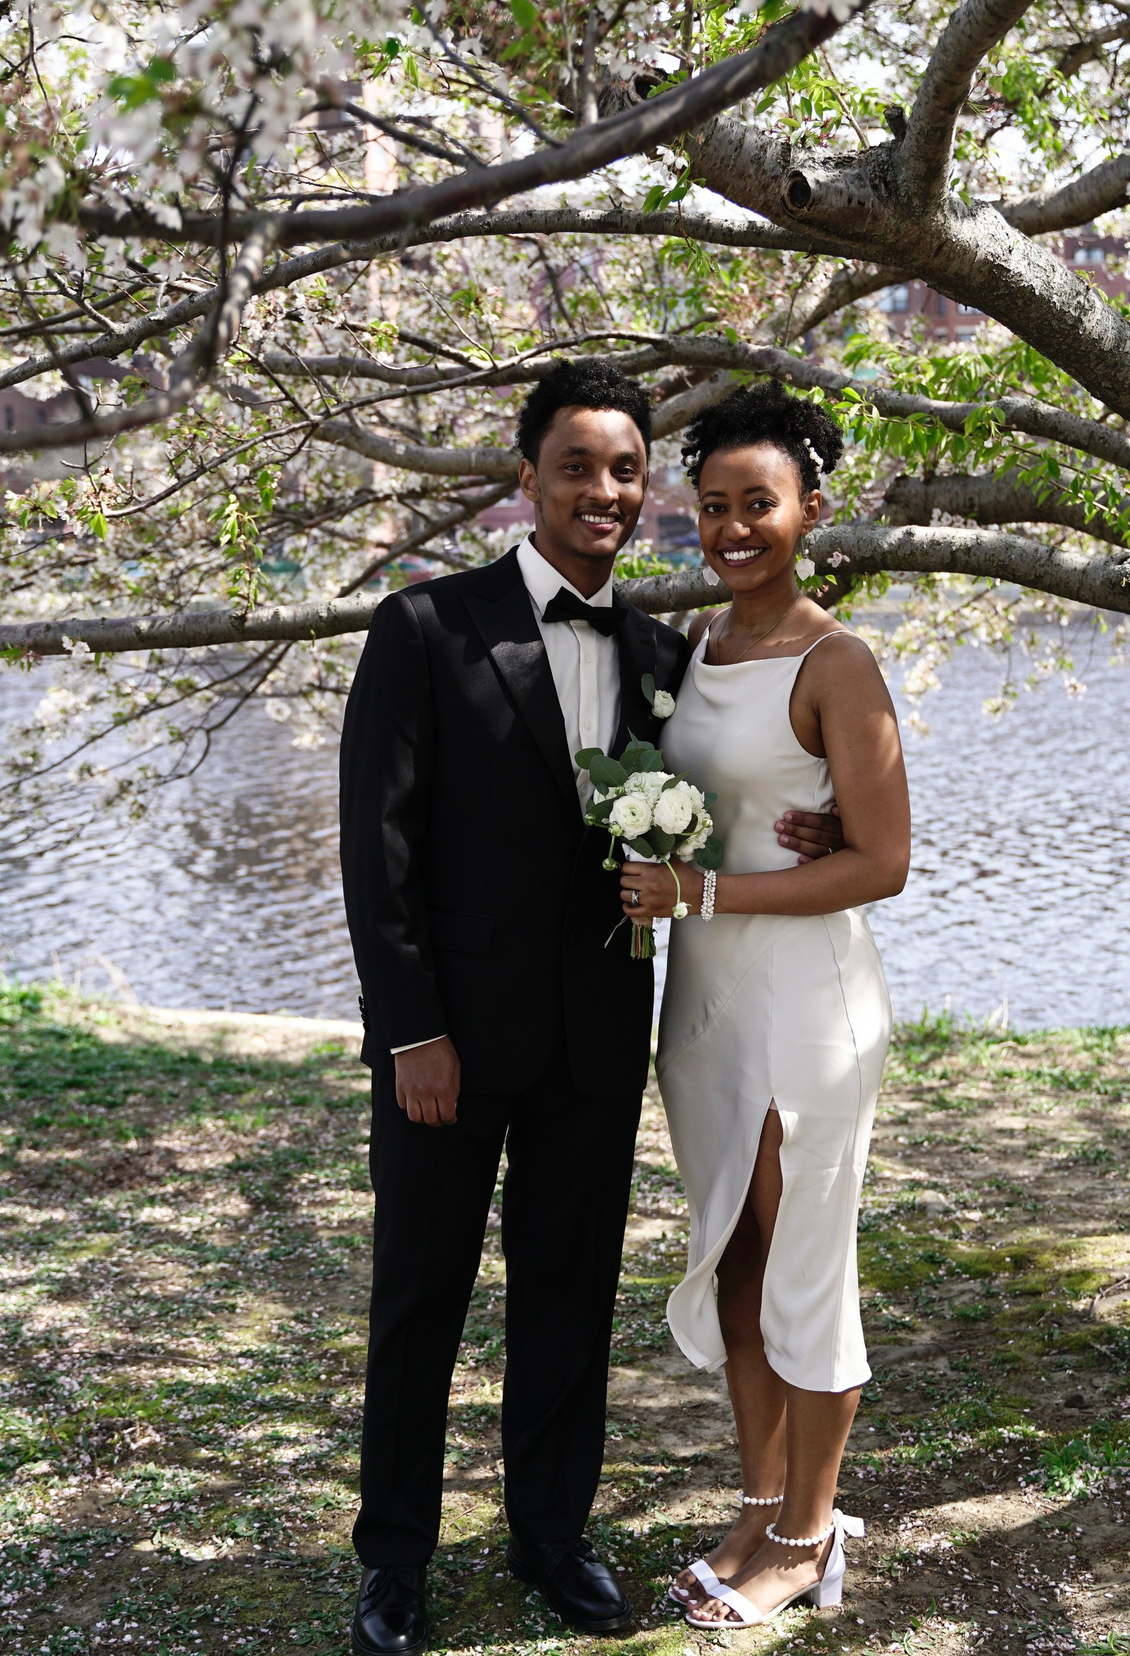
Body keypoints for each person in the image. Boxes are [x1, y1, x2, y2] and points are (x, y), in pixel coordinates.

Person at [336, 361, 842, 1655]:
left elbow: (740, 780)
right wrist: (412, 1033)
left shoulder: (665, 657)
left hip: (600, 1042)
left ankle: (551, 1540)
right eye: (578, 467)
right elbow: (375, 852)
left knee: (566, 1302)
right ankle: (393, 1560)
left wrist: (823, 820)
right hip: (450, 1045)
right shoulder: (425, 631)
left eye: (626, 471)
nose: (605, 492)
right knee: (420, 1305)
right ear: (526, 480)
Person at [614, 385, 910, 1628]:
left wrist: (706, 883)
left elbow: (882, 859)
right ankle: (758, 1497)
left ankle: (806, 1536)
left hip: (803, 1001)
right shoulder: (702, 649)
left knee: (802, 1268)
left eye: (760, 505)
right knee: (735, 1253)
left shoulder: (838, 660)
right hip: (708, 998)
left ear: (811, 513)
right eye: (715, 507)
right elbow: (728, 802)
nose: (733, 528)